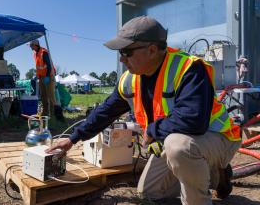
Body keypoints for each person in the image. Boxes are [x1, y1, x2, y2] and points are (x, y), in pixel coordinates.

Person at [46, 16, 241, 205]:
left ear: (152, 49)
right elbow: (105, 112)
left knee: (178, 147)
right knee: (149, 192)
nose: (122, 59)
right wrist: (73, 138)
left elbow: (193, 120)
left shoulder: (188, 68)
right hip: (183, 141)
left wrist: (152, 130)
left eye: (126, 52)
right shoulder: (131, 79)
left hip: (218, 137)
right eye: (120, 53)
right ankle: (216, 176)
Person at [29, 39, 64, 121]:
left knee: (51, 96)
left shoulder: (43, 52)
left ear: (35, 45)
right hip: (41, 77)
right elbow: (39, 67)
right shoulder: (35, 54)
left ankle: (53, 114)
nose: (30, 47)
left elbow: (48, 65)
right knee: (43, 96)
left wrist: (47, 76)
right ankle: (45, 113)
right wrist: (38, 76)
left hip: (49, 76)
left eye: (31, 45)